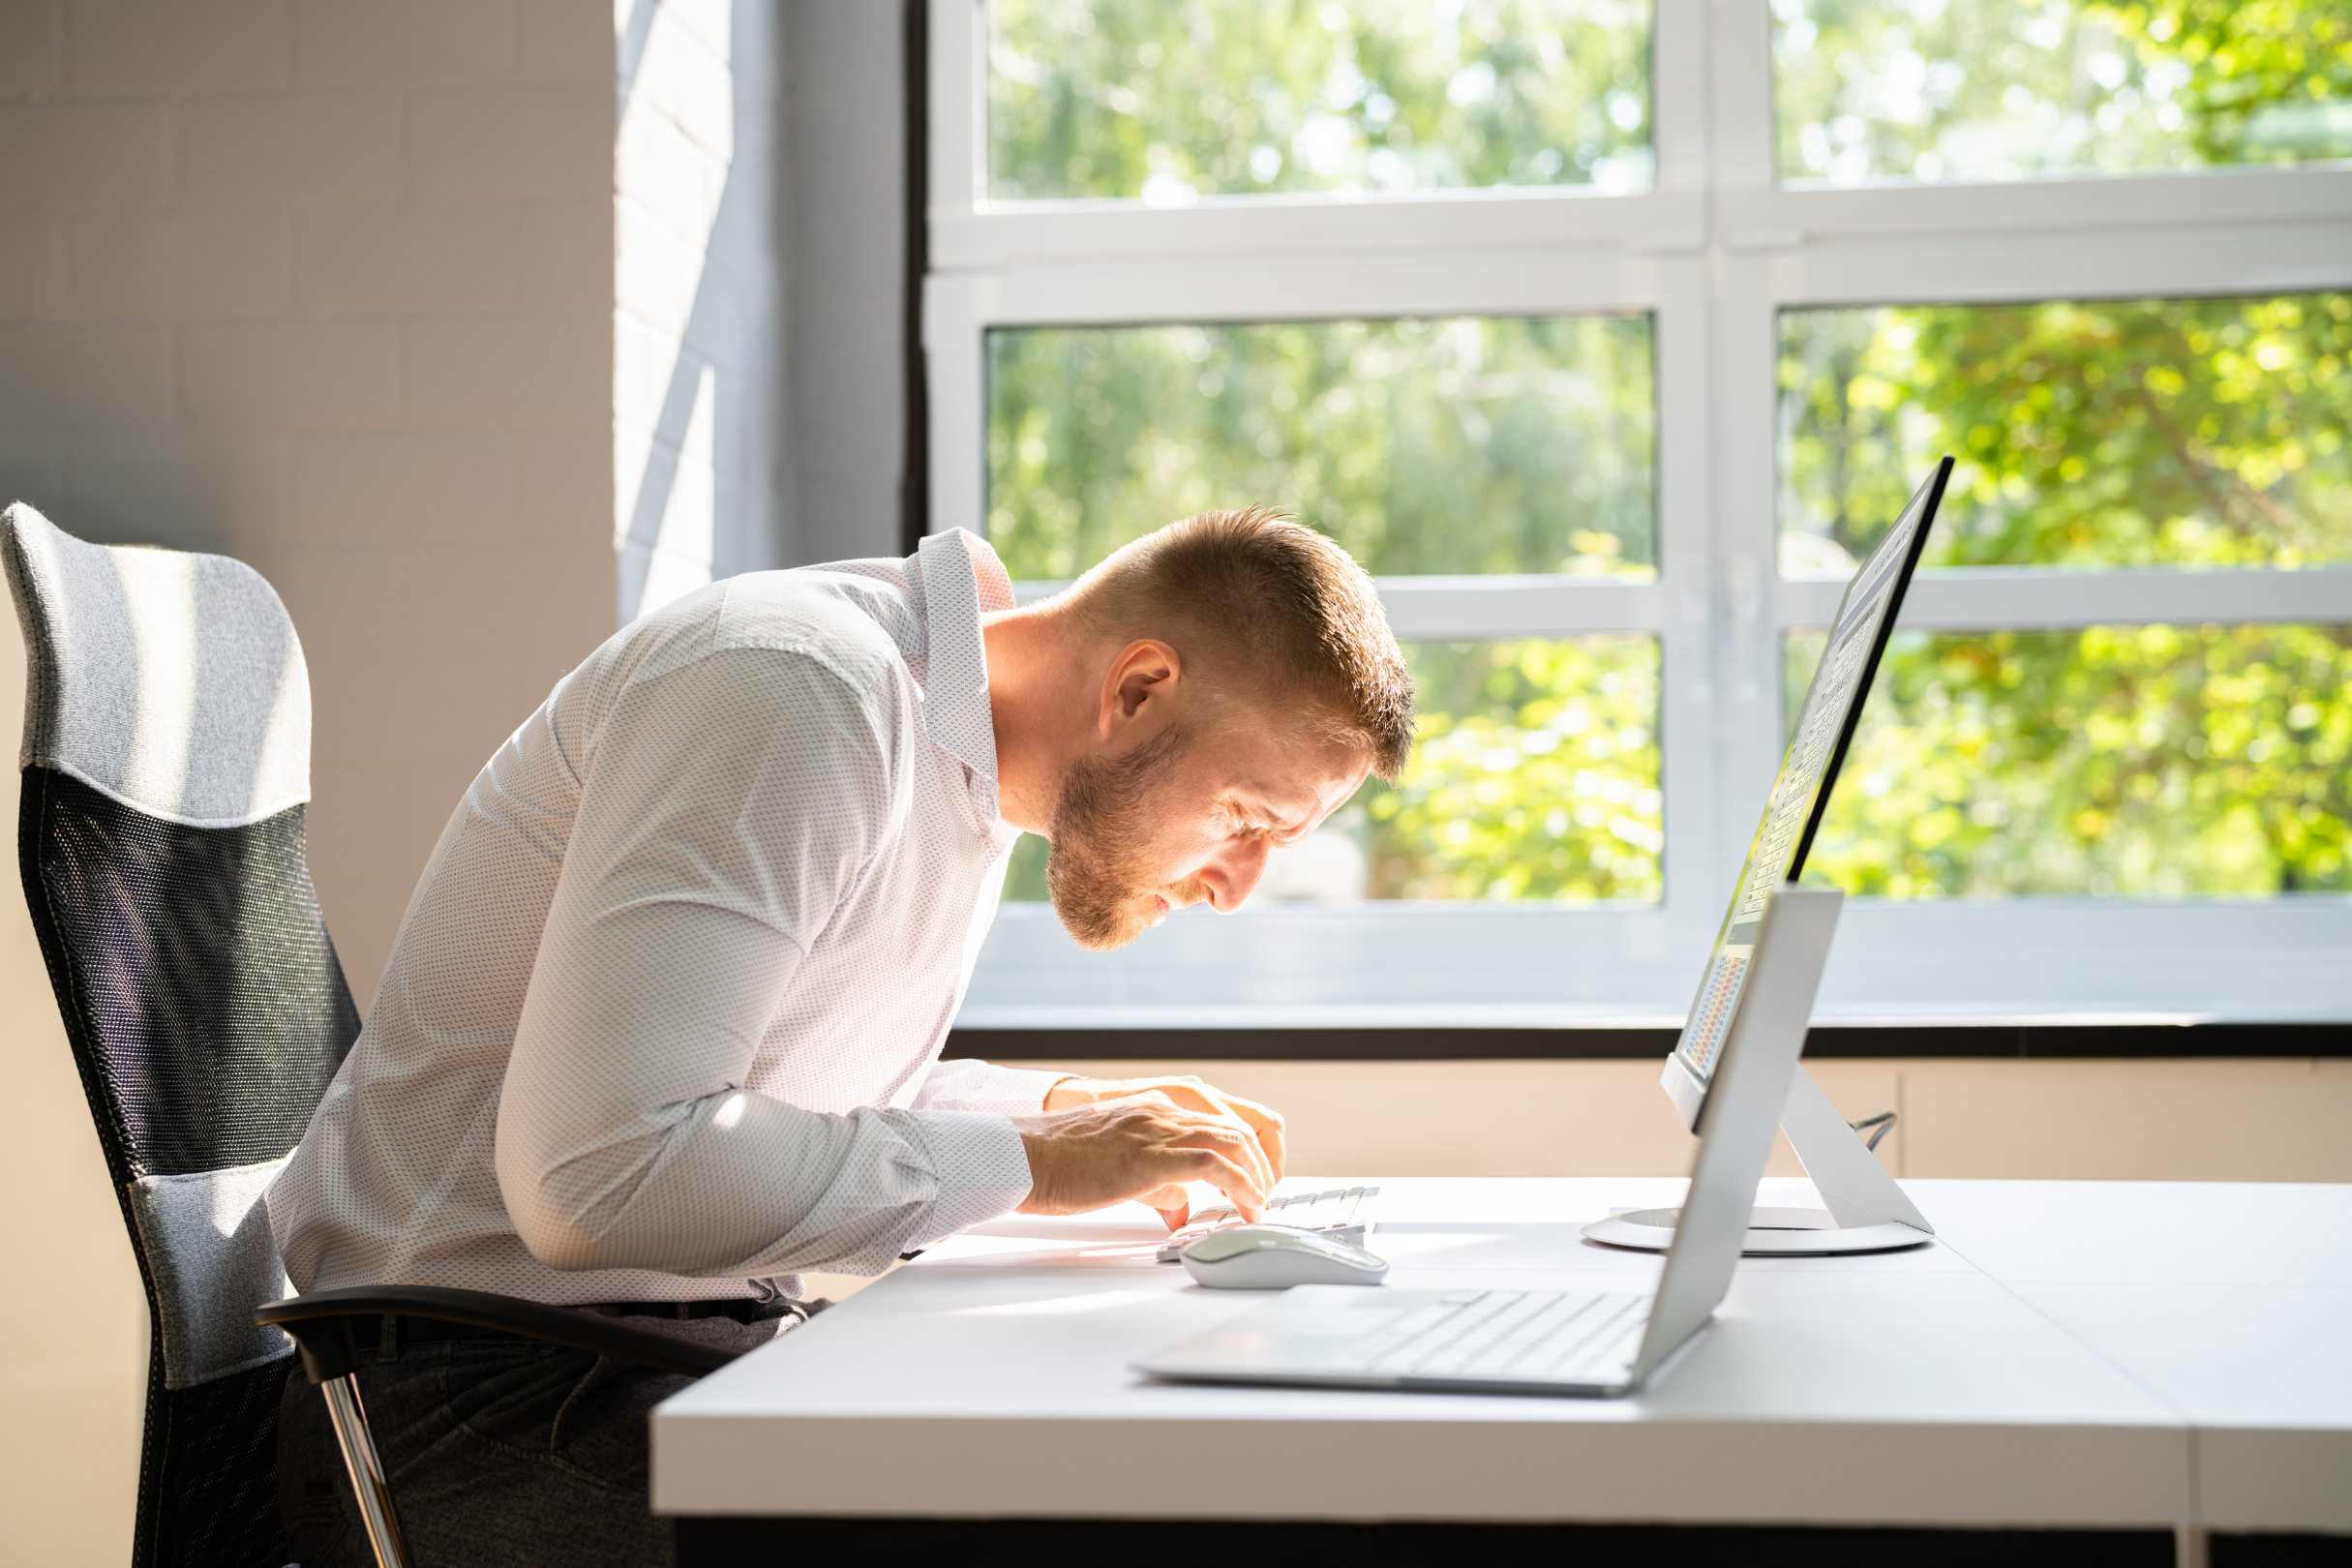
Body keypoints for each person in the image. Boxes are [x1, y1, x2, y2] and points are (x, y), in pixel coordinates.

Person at [268, 507, 1416, 1565]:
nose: (1239, 888)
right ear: (1140, 689)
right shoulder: (796, 691)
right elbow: (603, 1170)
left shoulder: (951, 765)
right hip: (454, 1417)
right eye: (1244, 818)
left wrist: (1058, 1118)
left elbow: (765, 1092)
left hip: (632, 1367)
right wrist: (1035, 1165)